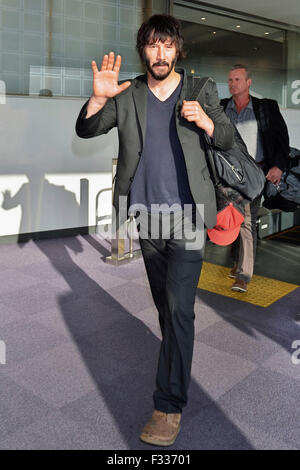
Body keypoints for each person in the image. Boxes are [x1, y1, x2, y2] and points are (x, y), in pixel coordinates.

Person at [76, 14, 234, 446]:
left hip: (187, 217)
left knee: (179, 310)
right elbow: (86, 129)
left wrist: (205, 121)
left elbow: (225, 137)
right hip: (146, 216)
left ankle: (168, 405)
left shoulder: (200, 89)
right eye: (152, 46)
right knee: (168, 310)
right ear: (143, 49)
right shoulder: (127, 92)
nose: (160, 54)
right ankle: (178, 356)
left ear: (177, 49)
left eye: (167, 46)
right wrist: (95, 101)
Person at [221, 64, 290, 293]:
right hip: (227, 176)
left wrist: (278, 166)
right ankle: (236, 262)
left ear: (248, 83)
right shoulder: (222, 108)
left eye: (237, 79)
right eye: (230, 80)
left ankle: (243, 275)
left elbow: (282, 140)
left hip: (255, 175)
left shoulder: (265, 108)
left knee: (247, 223)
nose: (232, 84)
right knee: (230, 218)